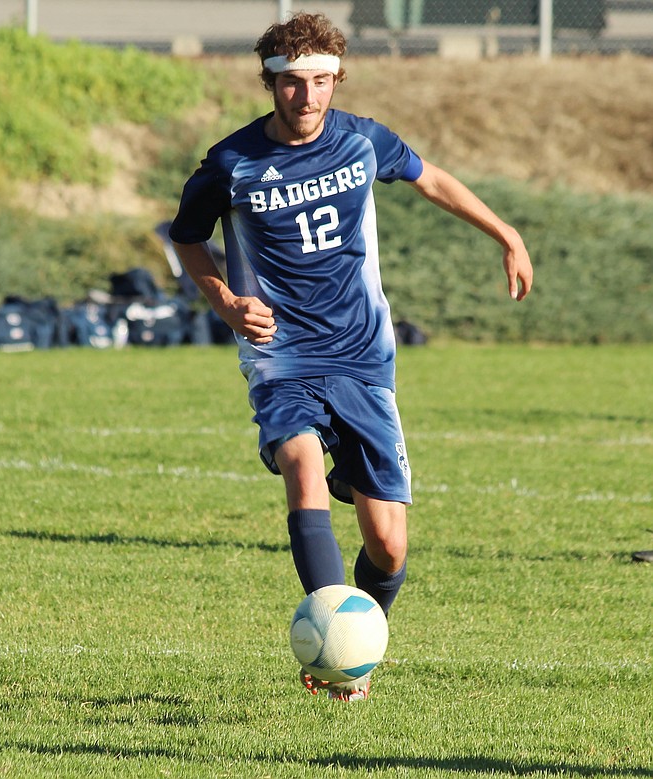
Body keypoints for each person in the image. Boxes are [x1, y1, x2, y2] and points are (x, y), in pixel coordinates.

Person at [169, 12, 533, 701]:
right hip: (282, 355)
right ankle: (335, 651)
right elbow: (187, 238)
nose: (307, 97)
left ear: (337, 79)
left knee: (389, 546)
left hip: (363, 355)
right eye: (292, 83)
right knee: (302, 466)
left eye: (321, 81)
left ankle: (357, 644)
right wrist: (224, 300)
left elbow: (432, 179)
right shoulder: (231, 163)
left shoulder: (362, 141)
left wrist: (505, 231)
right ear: (269, 82)